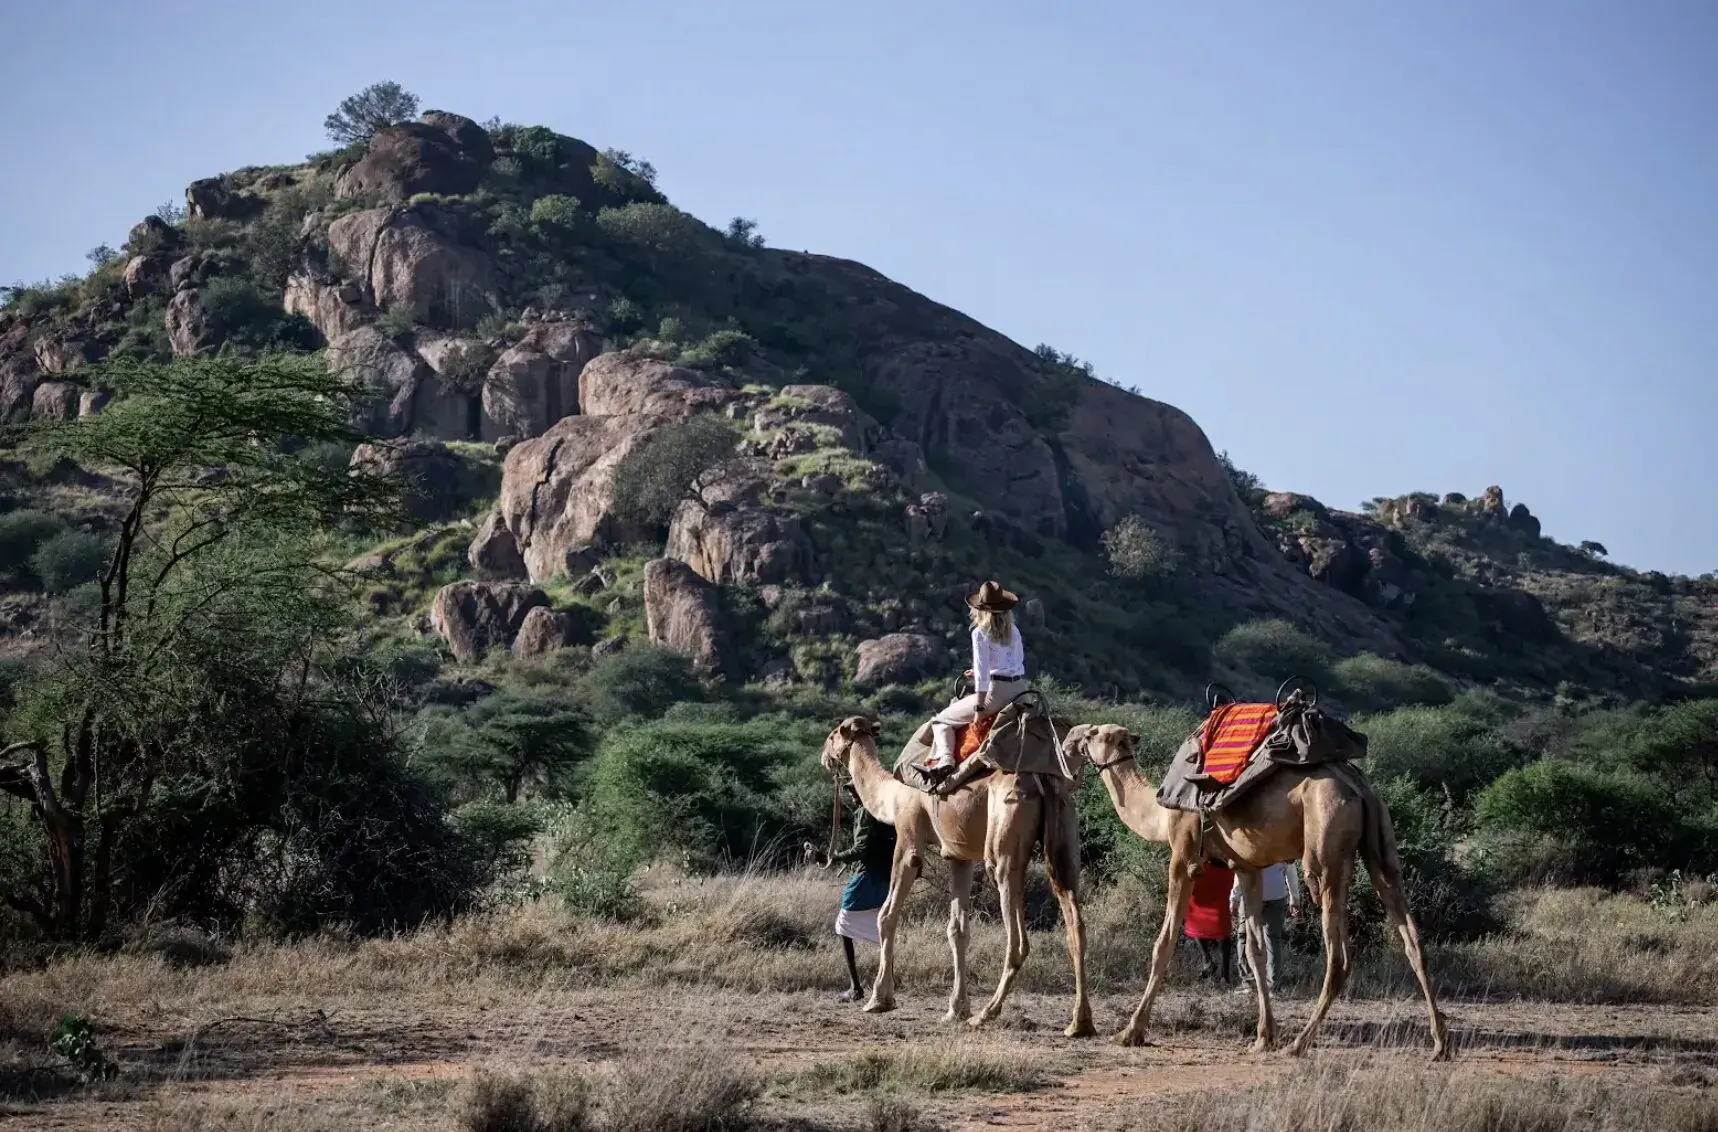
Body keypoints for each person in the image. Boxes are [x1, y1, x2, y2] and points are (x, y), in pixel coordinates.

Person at [913, 580, 1028, 780]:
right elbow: (1014, 663)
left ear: (980, 609)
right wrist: (982, 672)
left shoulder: (980, 633)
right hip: (1020, 690)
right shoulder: (1014, 630)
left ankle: (945, 760)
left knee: (940, 720)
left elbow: (984, 675)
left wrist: (980, 708)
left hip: (996, 692)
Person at [812, 787, 898, 1003]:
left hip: (868, 876)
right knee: (882, 929)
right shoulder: (886, 810)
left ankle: (855, 988)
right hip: (888, 877)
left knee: (843, 925)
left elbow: (861, 849)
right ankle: (886, 986)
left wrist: (833, 858)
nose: (852, 795)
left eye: (854, 790)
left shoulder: (864, 812)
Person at [1229, 861, 1303, 992]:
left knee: (1244, 937)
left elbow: (1240, 871)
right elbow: (1291, 870)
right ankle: (1272, 984)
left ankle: (1249, 982)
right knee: (1272, 938)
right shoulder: (1281, 843)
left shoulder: (1249, 841)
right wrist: (1294, 897)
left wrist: (1234, 898)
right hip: (1275, 895)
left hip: (1251, 895)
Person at [1183, 858, 1237, 986]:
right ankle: (1211, 964)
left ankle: (1219, 970)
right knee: (1197, 918)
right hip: (1214, 870)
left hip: (1219, 871)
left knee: (1219, 929)